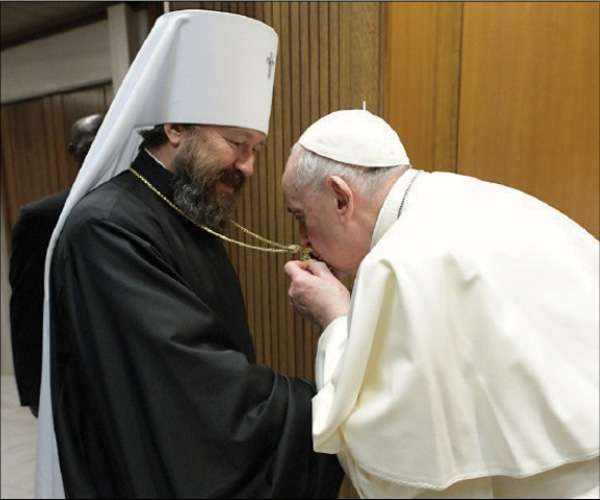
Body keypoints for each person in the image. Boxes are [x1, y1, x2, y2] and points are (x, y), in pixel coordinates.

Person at [35, 10, 343, 499]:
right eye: (236, 143)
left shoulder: (183, 206)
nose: (247, 166)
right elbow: (192, 394)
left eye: (257, 149)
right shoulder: (107, 230)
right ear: (176, 126)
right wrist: (326, 407)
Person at [282, 109, 599, 498]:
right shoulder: (481, 197)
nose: (302, 238)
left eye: (300, 216)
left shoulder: (399, 262)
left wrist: (335, 319)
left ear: (341, 198)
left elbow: (392, 469)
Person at [9, 113, 103, 418]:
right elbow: (26, 310)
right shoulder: (40, 219)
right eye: (90, 142)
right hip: (73, 373)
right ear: (73, 151)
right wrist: (34, 391)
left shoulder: (142, 207)